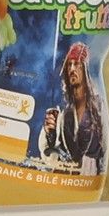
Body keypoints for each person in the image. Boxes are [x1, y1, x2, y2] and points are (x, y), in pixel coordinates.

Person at [41, 42, 105, 175]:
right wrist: (50, 135)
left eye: (76, 64)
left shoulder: (99, 106)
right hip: (65, 176)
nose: (72, 69)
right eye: (69, 64)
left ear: (85, 69)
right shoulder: (62, 110)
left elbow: (104, 147)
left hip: (90, 175)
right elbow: (51, 156)